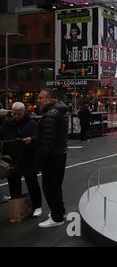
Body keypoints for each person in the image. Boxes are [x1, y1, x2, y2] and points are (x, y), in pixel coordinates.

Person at [0, 102, 42, 217]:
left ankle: (37, 206)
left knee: (32, 183)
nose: (16, 116)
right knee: (14, 184)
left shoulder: (31, 123)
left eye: (19, 114)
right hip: (11, 159)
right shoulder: (6, 123)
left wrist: (31, 139)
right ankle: (17, 207)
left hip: (28, 158)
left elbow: (39, 137)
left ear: (24, 111)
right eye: (14, 114)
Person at [36, 89, 69, 228]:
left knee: (50, 187)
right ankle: (59, 212)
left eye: (40, 97)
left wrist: (39, 161)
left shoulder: (51, 114)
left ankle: (56, 217)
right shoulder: (60, 111)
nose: (38, 100)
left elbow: (47, 141)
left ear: (49, 98)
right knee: (56, 186)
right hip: (60, 154)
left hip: (51, 156)